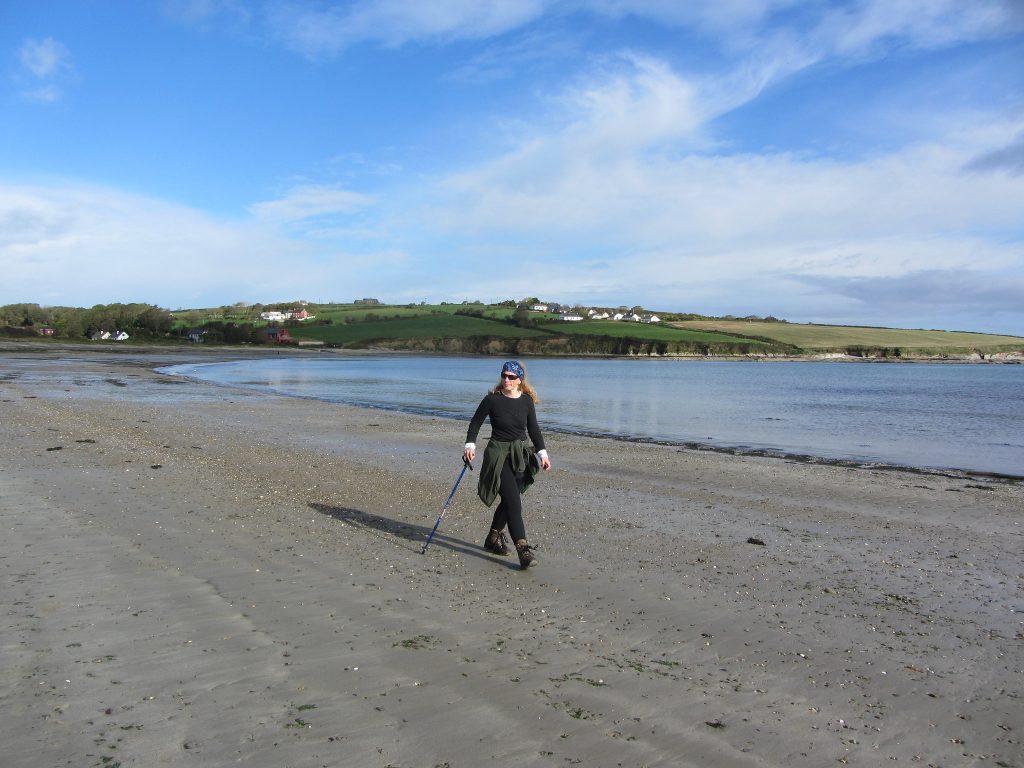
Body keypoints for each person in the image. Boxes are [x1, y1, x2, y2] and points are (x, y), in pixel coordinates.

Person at [463, 360, 551, 569]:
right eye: (504, 375)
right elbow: (475, 422)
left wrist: (543, 454)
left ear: (520, 380)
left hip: (520, 455)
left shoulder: (527, 402)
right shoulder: (492, 400)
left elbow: (534, 430)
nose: (506, 380)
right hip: (498, 454)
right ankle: (523, 550)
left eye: (511, 377)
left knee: (510, 499)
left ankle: (493, 537)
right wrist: (470, 445)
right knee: (514, 502)